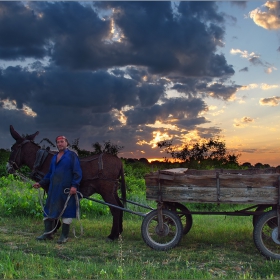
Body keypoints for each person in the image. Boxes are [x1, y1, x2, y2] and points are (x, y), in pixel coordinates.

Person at [33, 135, 82, 244]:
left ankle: (64, 236)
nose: (60, 144)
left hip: (66, 190)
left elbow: (77, 172)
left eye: (62, 141)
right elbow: (50, 173)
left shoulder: (72, 156)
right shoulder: (54, 157)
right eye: (58, 142)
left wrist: (74, 186)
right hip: (53, 189)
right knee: (48, 210)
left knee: (66, 212)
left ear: (66, 143)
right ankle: (47, 234)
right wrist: (40, 183)